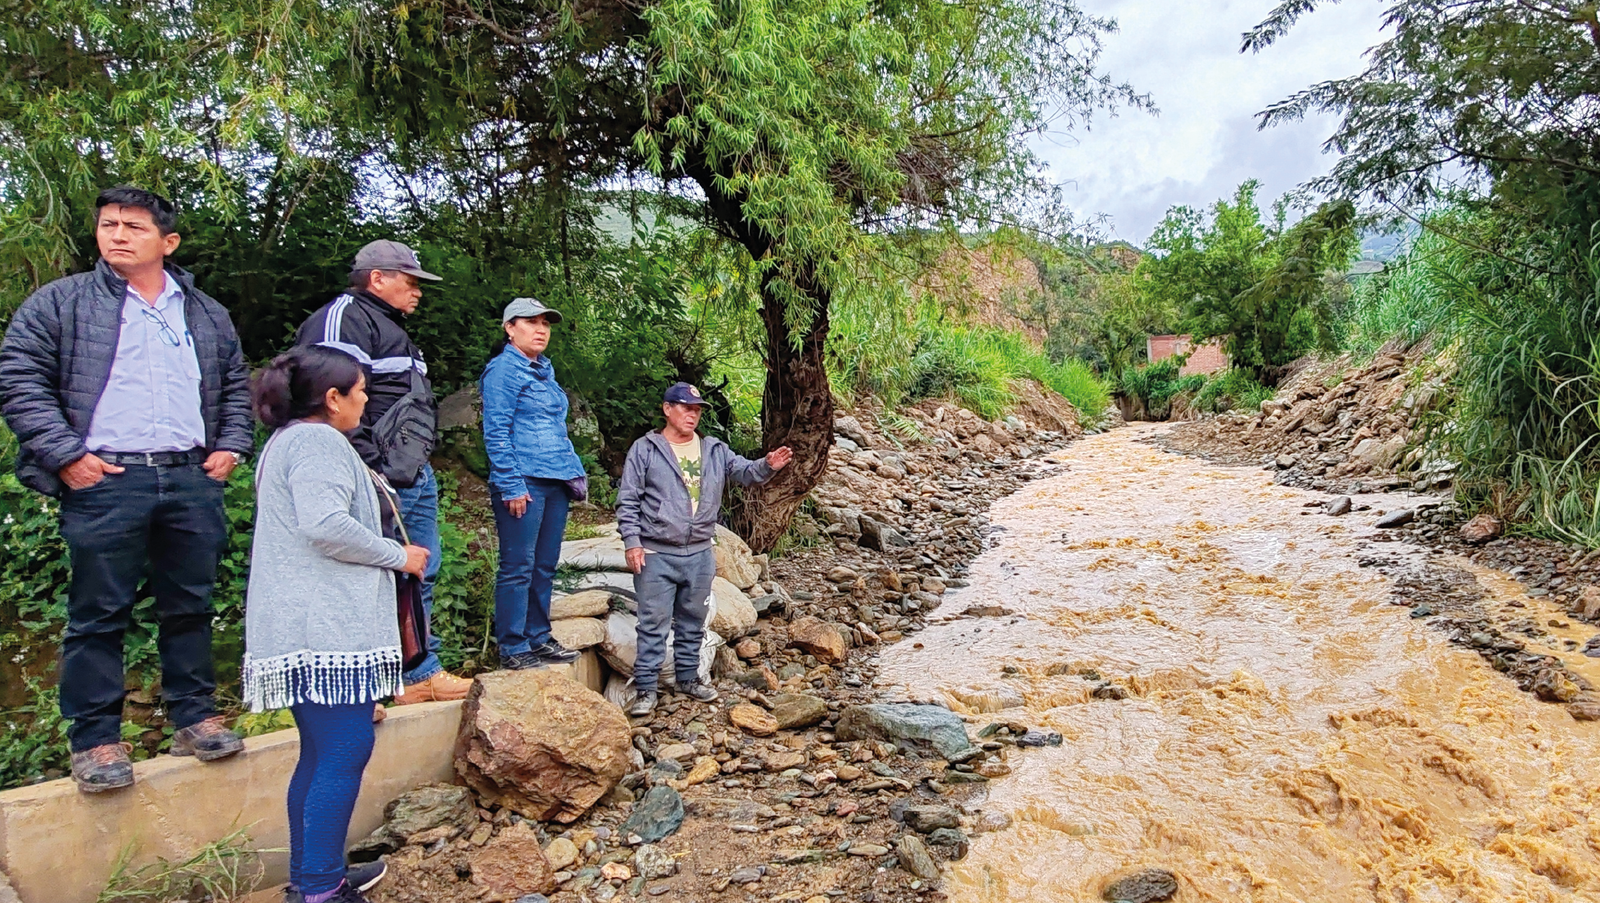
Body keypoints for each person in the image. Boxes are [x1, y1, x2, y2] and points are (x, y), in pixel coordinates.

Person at [0, 186, 251, 792]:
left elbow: (236, 384)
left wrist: (231, 445)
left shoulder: (204, 312)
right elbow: (18, 377)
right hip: (106, 477)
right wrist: (66, 456)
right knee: (97, 613)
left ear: (167, 243)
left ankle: (193, 718)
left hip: (190, 475)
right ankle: (95, 741)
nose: (116, 235)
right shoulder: (61, 302)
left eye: (133, 227)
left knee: (190, 603)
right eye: (108, 224)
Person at [245, 345, 429, 903]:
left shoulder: (288, 443)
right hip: (322, 628)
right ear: (332, 398)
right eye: (359, 390)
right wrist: (399, 556)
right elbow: (325, 525)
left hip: (305, 625)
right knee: (345, 748)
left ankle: (312, 876)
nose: (366, 398)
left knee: (321, 752)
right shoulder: (319, 442)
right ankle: (322, 890)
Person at [294, 240, 471, 705]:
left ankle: (417, 673)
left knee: (417, 570)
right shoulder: (343, 319)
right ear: (378, 278)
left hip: (411, 472)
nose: (417, 292)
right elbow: (324, 399)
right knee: (369, 575)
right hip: (373, 475)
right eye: (410, 282)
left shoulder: (390, 327)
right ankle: (362, 683)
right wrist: (367, 465)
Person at [615, 383, 793, 716]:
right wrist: (632, 542)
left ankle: (688, 679)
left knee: (692, 621)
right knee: (652, 623)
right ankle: (645, 689)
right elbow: (627, 500)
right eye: (685, 408)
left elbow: (745, 472)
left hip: (698, 553)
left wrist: (768, 464)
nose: (692, 415)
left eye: (697, 410)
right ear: (667, 409)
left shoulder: (713, 449)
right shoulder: (646, 449)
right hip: (656, 552)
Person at [480, 298, 585, 670]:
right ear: (510, 328)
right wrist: (510, 484)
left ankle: (538, 637)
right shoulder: (503, 372)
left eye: (546, 323)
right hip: (524, 481)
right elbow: (496, 431)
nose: (541, 329)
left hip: (554, 480)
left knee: (544, 565)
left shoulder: (544, 370)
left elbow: (554, 427)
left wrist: (573, 471)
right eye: (531, 322)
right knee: (518, 565)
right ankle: (512, 645)